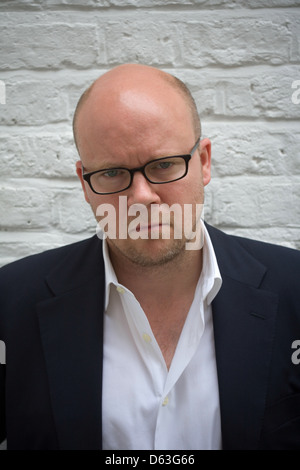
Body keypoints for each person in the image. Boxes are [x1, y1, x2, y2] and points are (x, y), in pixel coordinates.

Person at [0, 63, 300, 451]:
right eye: (111, 172)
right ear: (84, 183)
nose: (142, 197)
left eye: (163, 165)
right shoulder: (9, 304)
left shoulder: (294, 289)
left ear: (203, 162)